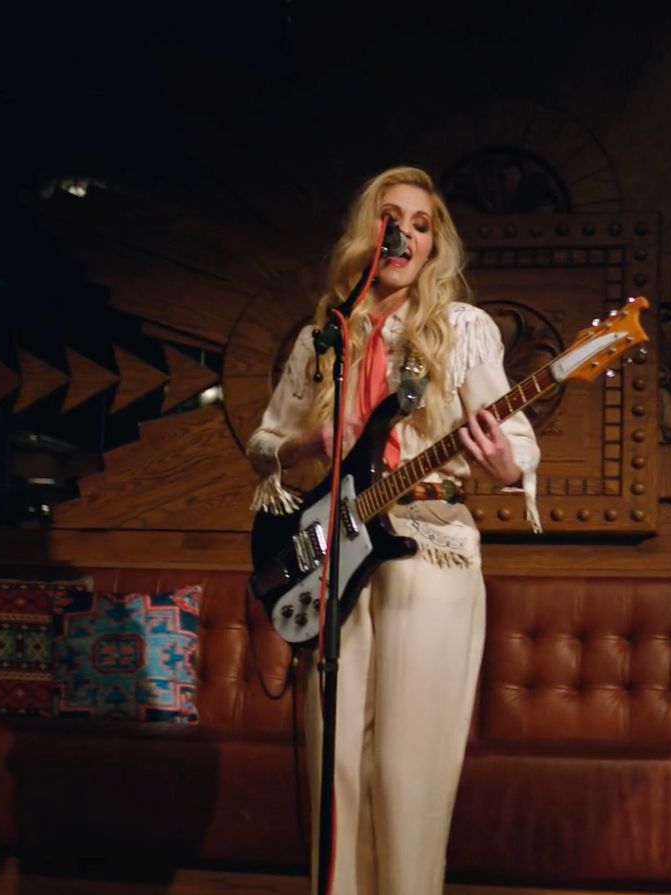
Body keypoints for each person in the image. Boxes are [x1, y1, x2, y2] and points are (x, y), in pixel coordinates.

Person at [245, 166, 542, 895]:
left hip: (428, 552)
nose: (403, 231)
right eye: (389, 217)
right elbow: (262, 444)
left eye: (419, 221)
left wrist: (504, 459)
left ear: (433, 241)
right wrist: (308, 446)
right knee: (335, 760)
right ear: (366, 235)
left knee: (408, 772)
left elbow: (520, 444)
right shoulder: (325, 334)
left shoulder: (462, 328)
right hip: (335, 555)